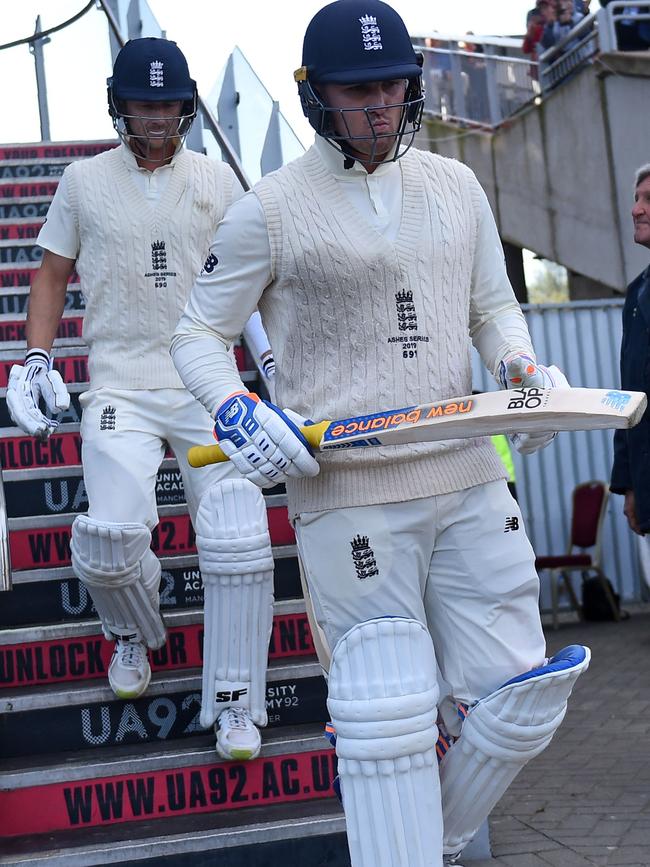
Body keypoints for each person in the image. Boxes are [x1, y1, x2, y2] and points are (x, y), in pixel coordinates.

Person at [170, 3, 590, 864]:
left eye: (394, 86)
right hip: (350, 493)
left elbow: (493, 308)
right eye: (359, 90)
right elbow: (195, 333)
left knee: (523, 694)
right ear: (314, 94)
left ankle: (413, 836)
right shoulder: (273, 207)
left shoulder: (456, 186)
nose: (381, 106)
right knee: (387, 712)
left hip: (469, 470)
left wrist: (519, 367)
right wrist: (237, 408)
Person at [6, 37, 274, 762]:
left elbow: (255, 278)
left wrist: (271, 363)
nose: (154, 117)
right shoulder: (83, 181)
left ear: (185, 104)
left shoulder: (219, 180)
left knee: (239, 536)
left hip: (205, 381)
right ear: (118, 104)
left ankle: (235, 703)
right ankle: (131, 628)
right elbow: (52, 273)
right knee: (108, 540)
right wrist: (34, 357)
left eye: (165, 103)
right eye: (141, 103)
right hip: (120, 380)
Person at [611, 165, 650, 585]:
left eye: (648, 200)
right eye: (637, 198)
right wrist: (629, 484)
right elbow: (631, 395)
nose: (635, 209)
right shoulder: (638, 293)